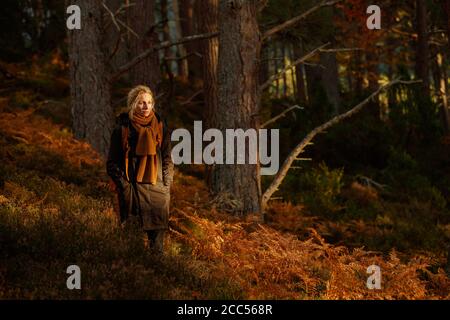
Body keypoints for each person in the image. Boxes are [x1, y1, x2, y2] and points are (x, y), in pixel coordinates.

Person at [107, 85, 173, 254]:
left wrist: (167, 185)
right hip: (133, 191)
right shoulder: (122, 129)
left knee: (157, 248)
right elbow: (112, 163)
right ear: (133, 104)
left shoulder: (160, 127)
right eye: (142, 102)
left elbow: (167, 158)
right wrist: (124, 186)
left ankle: (158, 277)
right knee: (131, 244)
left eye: (149, 103)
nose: (146, 106)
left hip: (157, 190)